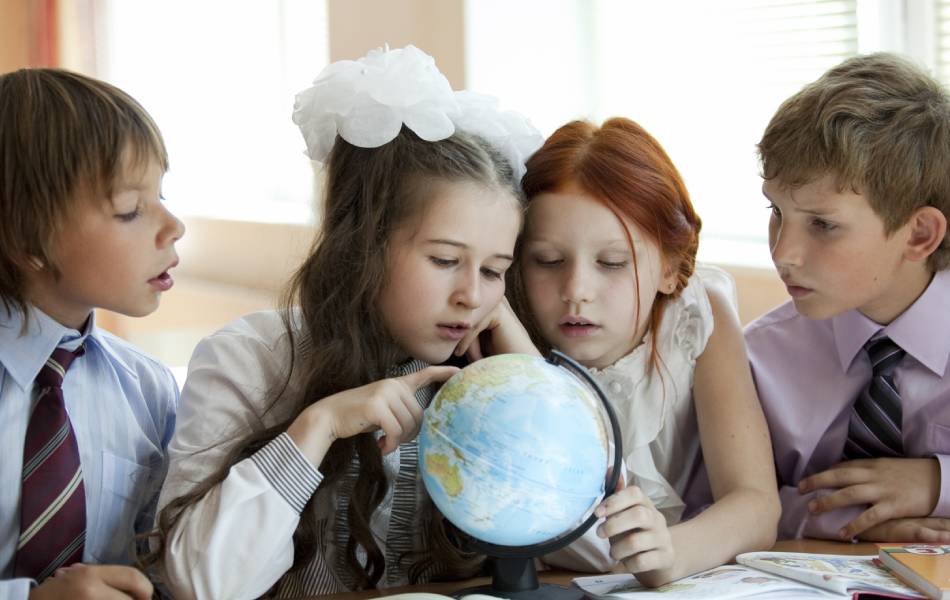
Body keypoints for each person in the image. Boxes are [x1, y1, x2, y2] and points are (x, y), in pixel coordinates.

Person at [149, 45, 541, 599]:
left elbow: (592, 547)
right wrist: (318, 426)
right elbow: (203, 584)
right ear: (365, 246)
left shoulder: (483, 371)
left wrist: (526, 378)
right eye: (445, 261)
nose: (471, 297)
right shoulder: (248, 358)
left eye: (494, 270)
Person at [509, 117, 780, 586]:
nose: (576, 290)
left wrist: (672, 551)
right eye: (548, 261)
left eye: (612, 263)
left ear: (672, 269)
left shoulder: (696, 316)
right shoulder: (506, 323)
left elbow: (756, 503)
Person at [745, 52, 950, 542]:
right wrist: (853, 520)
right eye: (777, 212)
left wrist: (939, 483)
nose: (783, 253)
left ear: (919, 234)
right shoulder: (757, 358)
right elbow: (706, 504)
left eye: (823, 224)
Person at [0, 68, 184, 599]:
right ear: (23, 238)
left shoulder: (149, 391)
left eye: (163, 194)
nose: (174, 225)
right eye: (130, 209)